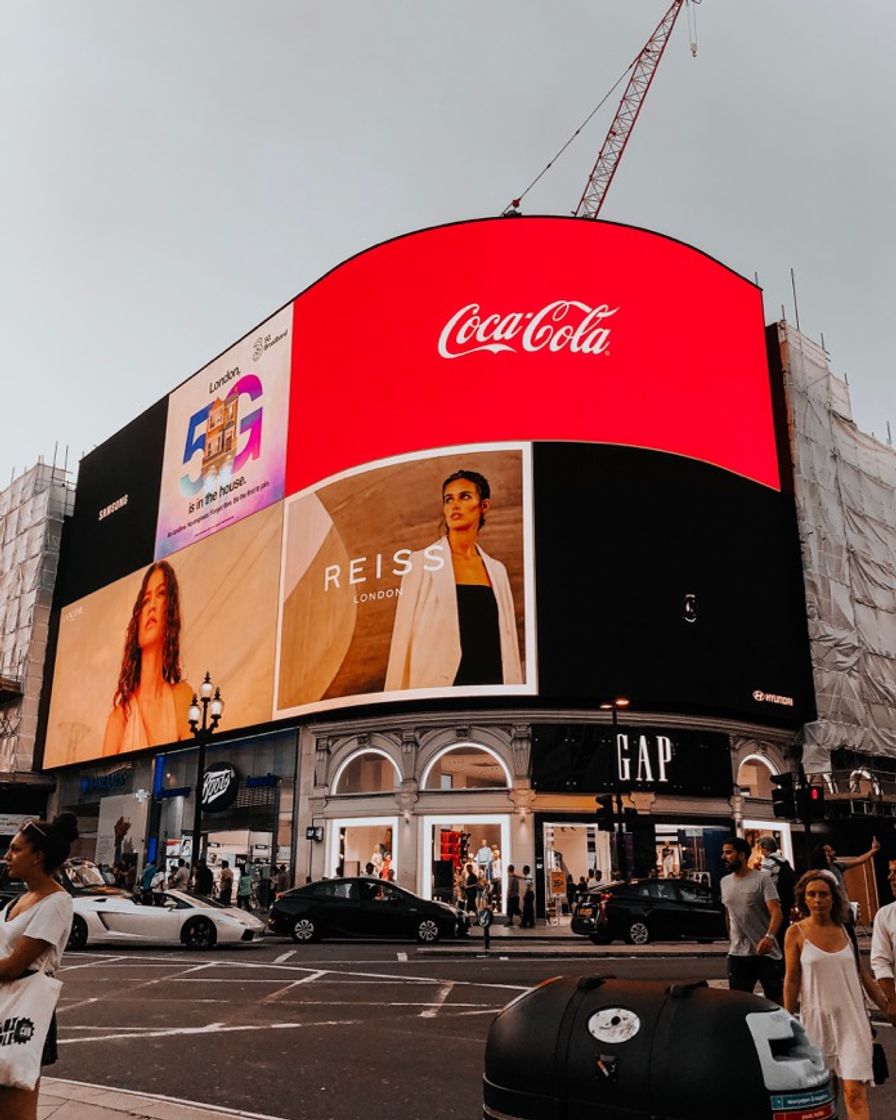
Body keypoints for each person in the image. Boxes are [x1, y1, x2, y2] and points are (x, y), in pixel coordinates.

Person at [385, 469, 523, 690]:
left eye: (465, 497)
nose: (454, 505)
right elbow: (402, 643)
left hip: (491, 691)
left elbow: (508, 645)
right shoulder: (421, 562)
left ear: (484, 506)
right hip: (440, 695)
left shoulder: (497, 570)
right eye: (449, 499)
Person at [783, 869, 888, 1120]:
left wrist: (887, 1005)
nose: (818, 899)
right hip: (816, 1022)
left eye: (823, 894)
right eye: (812, 894)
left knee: (854, 1093)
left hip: (852, 1022)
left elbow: (861, 973)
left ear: (833, 898)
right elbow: (792, 979)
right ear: (804, 899)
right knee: (823, 1097)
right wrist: (787, 1020)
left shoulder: (845, 930)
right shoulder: (795, 933)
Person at [0, 813, 78, 1120]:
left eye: (16, 849)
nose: (7, 856)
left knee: (15, 1109)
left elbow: (14, 967)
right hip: (5, 1002)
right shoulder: (18, 900)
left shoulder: (57, 903)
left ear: (38, 857)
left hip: (25, 1009)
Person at [102, 560, 194, 756]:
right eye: (145, 600)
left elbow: (192, 770)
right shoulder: (119, 719)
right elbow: (102, 785)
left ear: (170, 612)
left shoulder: (182, 698)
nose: (151, 606)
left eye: (160, 594)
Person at [720, 836, 783, 1002]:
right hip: (738, 954)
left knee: (776, 1003)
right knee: (739, 1004)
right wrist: (731, 939)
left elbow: (777, 912)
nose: (723, 857)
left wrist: (769, 938)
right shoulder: (724, 882)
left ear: (741, 855)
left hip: (766, 954)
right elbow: (729, 913)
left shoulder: (762, 879)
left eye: (728, 853)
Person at [870, 856, 896, 1027]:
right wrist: (892, 1001)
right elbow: (880, 961)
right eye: (890, 872)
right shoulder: (886, 915)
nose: (890, 877)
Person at [757, 836, 796, 947]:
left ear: (765, 848)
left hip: (775, 898)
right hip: (787, 898)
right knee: (784, 925)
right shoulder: (783, 860)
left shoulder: (768, 861)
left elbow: (763, 880)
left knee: (775, 925)